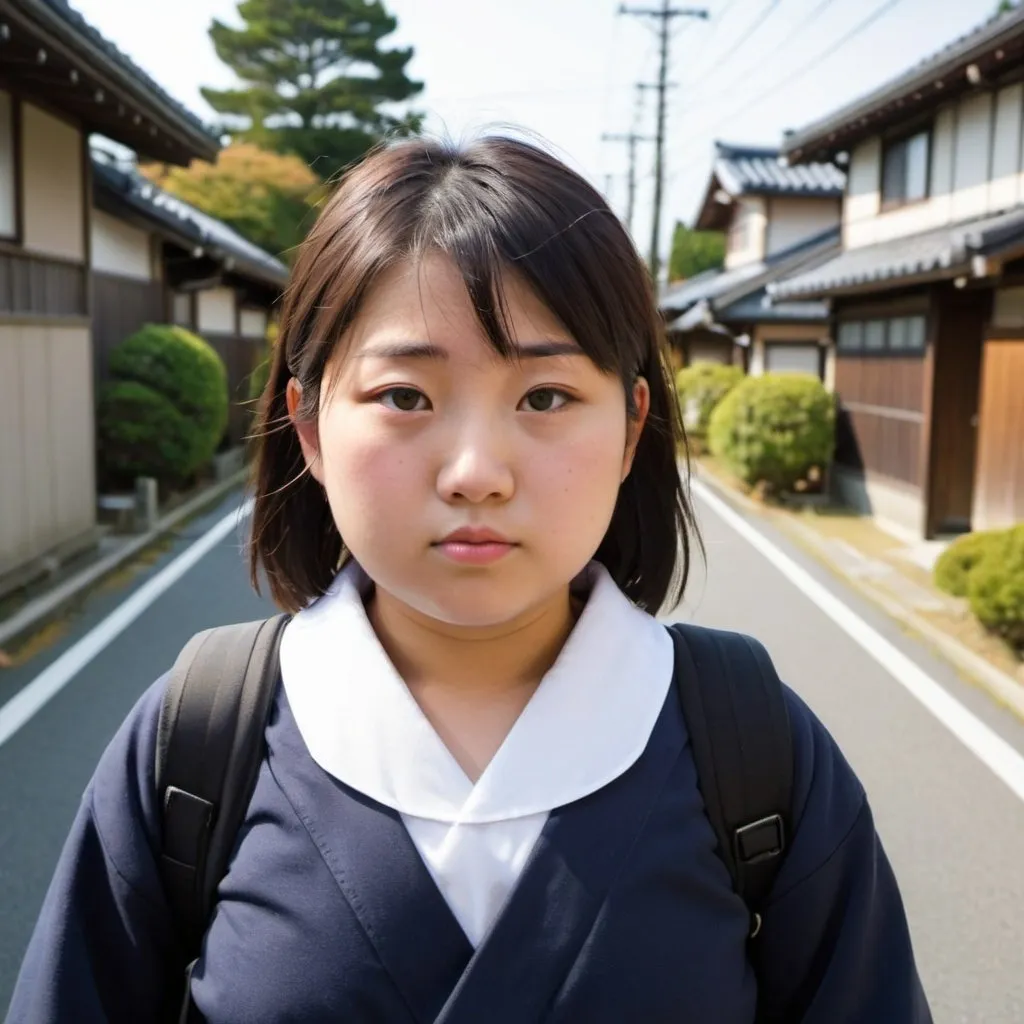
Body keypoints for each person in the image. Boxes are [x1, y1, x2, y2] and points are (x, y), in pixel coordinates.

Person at [7, 135, 931, 1023]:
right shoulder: (195, 747)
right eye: (405, 396)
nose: (476, 470)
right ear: (311, 424)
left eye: (546, 397)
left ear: (630, 427)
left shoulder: (756, 751)